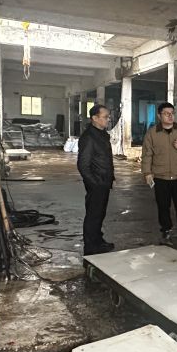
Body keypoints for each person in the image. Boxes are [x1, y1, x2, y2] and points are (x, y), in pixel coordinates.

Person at [141, 102, 177, 244]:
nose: (170, 116)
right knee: (163, 206)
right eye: (166, 113)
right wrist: (147, 172)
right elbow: (147, 154)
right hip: (160, 176)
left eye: (172, 113)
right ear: (159, 116)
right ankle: (165, 231)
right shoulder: (152, 133)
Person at [76, 103, 115, 255]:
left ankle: (98, 241)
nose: (108, 119)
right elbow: (83, 165)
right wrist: (94, 183)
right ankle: (91, 247)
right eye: (105, 117)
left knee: (100, 214)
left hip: (104, 181)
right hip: (97, 183)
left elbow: (104, 159)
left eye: (108, 117)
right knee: (93, 215)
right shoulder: (89, 137)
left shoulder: (102, 135)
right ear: (95, 118)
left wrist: (110, 178)